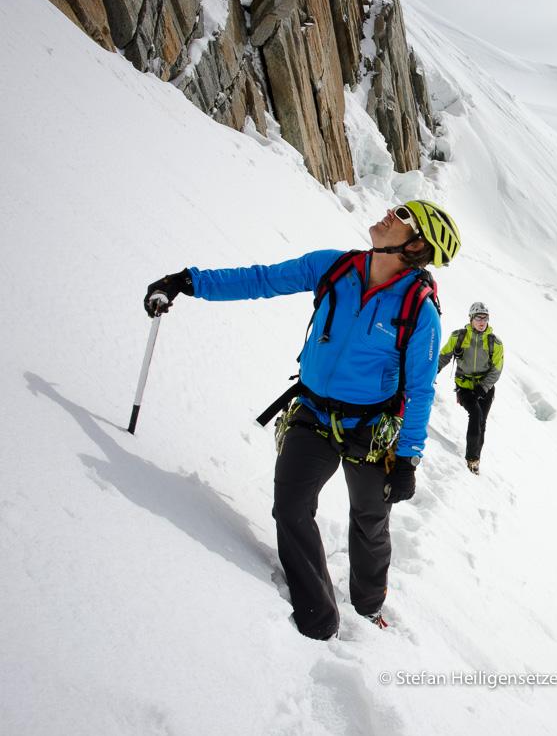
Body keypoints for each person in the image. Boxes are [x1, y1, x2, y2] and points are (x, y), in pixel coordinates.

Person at [141, 200, 461, 641]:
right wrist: (188, 282)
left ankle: (368, 607)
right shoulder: (333, 268)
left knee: (370, 522)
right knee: (291, 508)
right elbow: (262, 279)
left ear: (417, 245)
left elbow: (420, 390)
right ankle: (318, 615)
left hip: (371, 430)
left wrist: (407, 460)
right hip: (312, 412)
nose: (390, 213)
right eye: (396, 208)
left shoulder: (418, 311)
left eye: (403, 217)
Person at [438, 302, 504, 474]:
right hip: (465, 386)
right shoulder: (458, 337)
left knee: (481, 421)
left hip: (485, 388)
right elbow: (443, 357)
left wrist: (482, 389)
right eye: (478, 317)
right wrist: (431, 373)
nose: (482, 321)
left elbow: (497, 370)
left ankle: (476, 460)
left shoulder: (494, 343)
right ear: (471, 318)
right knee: (475, 414)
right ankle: (471, 458)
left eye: (485, 318)